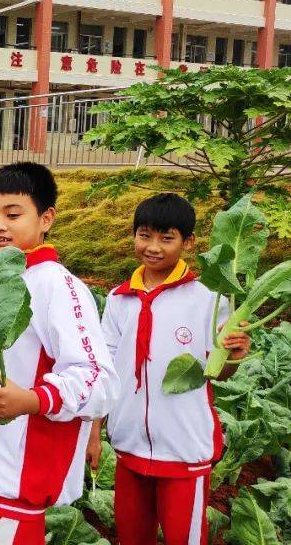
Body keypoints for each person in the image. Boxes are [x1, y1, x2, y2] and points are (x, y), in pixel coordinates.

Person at [0, 162, 118, 545]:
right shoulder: (6, 276)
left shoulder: (57, 286)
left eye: (13, 215)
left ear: (46, 218)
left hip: (15, 485)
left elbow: (98, 380)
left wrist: (32, 400)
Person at [88, 193, 250, 545]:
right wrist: (93, 432)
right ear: (134, 235)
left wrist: (233, 356)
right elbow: (105, 372)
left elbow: (219, 373)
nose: (153, 247)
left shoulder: (209, 299)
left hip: (184, 450)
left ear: (188, 242)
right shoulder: (118, 300)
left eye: (167, 238)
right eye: (145, 235)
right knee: (131, 537)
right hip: (129, 448)